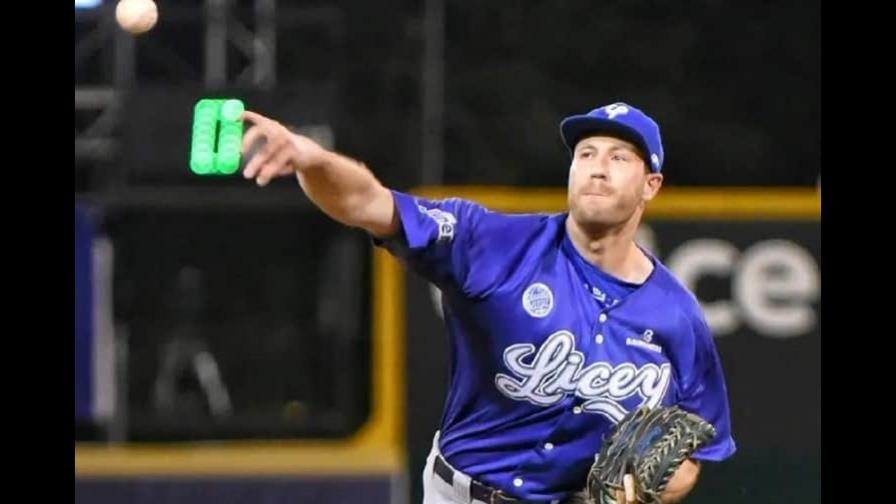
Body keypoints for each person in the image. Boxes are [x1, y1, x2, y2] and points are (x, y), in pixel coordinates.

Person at [238, 102, 736, 504]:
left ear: (652, 185)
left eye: (619, 157)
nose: (597, 169)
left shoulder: (677, 316)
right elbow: (369, 204)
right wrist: (312, 159)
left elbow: (697, 449)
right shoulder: (494, 244)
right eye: (586, 153)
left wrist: (655, 487)